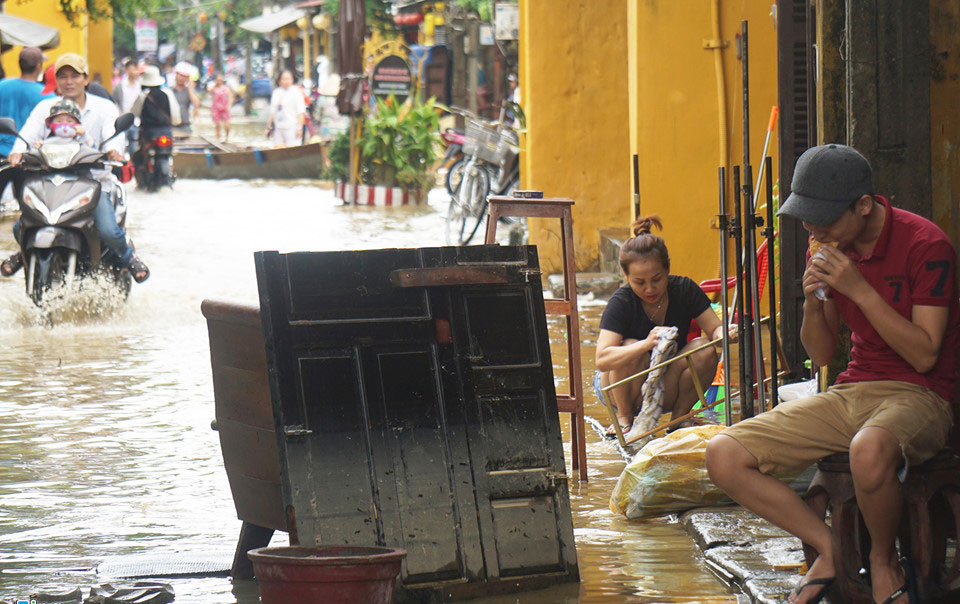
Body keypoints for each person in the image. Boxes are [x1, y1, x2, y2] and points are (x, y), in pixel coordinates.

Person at [705, 144, 959, 604]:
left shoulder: (926, 245)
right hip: (854, 388)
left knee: (868, 449)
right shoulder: (828, 247)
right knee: (723, 453)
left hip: (921, 394)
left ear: (863, 206)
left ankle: (883, 562)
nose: (813, 230)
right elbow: (820, 355)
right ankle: (829, 549)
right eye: (806, 219)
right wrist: (813, 301)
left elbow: (924, 355)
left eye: (824, 220)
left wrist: (859, 290)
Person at [1, 53, 150, 284]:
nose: (69, 82)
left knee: (109, 230)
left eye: (74, 76)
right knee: (22, 226)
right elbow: (28, 135)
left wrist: (113, 150)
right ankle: (25, 253)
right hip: (50, 181)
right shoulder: (45, 108)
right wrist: (17, 151)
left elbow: (114, 137)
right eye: (63, 77)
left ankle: (130, 258)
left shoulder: (103, 107)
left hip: (94, 183)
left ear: (85, 79)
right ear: (56, 80)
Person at [595, 215, 731, 437]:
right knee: (629, 345)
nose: (650, 289)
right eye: (639, 282)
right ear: (626, 276)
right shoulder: (621, 301)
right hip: (619, 386)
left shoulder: (685, 289)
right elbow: (602, 359)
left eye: (657, 279)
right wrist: (645, 345)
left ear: (668, 269)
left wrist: (726, 332)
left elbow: (714, 329)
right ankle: (625, 418)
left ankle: (679, 417)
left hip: (666, 379)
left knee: (706, 349)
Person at [0, 47, 51, 158]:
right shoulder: (47, 95)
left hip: (2, 151)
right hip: (29, 154)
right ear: (38, 67)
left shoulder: (2, 85)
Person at [266, 70, 305, 148]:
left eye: (288, 79)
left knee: (292, 149)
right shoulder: (276, 92)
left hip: (292, 127)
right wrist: (268, 126)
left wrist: (299, 128)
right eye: (284, 79)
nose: (286, 81)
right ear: (279, 81)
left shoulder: (296, 92)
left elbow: (301, 113)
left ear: (292, 80)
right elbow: (272, 111)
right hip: (278, 127)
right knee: (278, 149)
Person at [111, 59, 141, 155]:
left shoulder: (139, 86)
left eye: (136, 69)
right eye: (132, 69)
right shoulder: (120, 86)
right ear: (127, 70)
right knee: (122, 144)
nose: (135, 72)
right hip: (123, 119)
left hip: (136, 121)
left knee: (134, 144)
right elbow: (114, 101)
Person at [171, 62, 200, 135]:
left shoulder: (189, 91)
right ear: (176, 74)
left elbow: (196, 105)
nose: (181, 78)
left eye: (184, 76)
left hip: (185, 126)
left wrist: (190, 88)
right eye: (180, 75)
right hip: (171, 126)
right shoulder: (169, 91)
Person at [209, 73, 233, 141]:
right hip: (215, 108)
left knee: (227, 125)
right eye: (217, 80)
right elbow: (209, 91)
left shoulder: (226, 88)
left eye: (220, 80)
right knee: (217, 125)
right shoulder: (213, 88)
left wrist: (229, 105)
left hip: (225, 108)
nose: (219, 81)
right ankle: (218, 138)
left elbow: (231, 97)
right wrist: (214, 85)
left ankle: (227, 137)